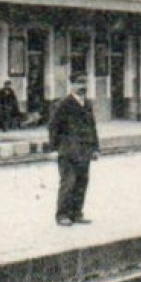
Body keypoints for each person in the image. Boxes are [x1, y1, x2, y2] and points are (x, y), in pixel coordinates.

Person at [46, 81, 98, 226]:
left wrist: (95, 148)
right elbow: (53, 127)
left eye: (85, 83)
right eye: (79, 83)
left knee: (82, 182)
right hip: (67, 150)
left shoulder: (87, 104)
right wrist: (53, 149)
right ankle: (62, 215)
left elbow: (92, 127)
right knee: (68, 183)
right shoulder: (63, 103)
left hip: (84, 150)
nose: (83, 86)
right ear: (72, 85)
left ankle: (76, 213)